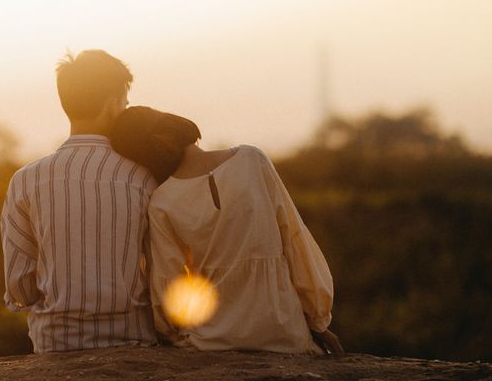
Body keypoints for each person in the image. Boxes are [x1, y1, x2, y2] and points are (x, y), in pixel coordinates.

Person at [109, 106, 344, 355]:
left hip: (212, 340)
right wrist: (318, 321)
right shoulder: (252, 160)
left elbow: (169, 287)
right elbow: (295, 241)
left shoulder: (162, 203)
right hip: (283, 331)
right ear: (173, 123)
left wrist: (174, 334)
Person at [1, 50, 158, 352]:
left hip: (56, 344)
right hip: (133, 341)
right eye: (125, 103)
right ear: (113, 105)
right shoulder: (143, 178)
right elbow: (161, 271)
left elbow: (19, 286)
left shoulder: (26, 180)